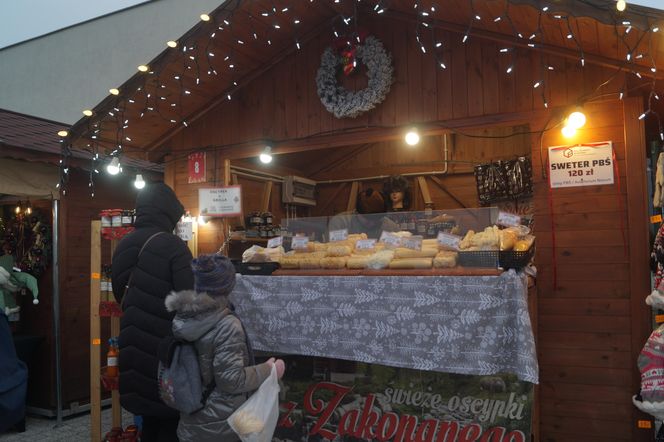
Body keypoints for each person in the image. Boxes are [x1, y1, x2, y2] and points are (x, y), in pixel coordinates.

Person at [164, 253, 285, 441]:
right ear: (228, 286)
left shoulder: (184, 315)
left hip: (193, 419)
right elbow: (231, 380)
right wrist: (269, 370)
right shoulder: (227, 325)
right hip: (220, 425)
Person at [111, 182, 194, 441]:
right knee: (170, 424)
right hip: (165, 352)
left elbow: (118, 293)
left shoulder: (123, 244)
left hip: (133, 345)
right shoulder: (174, 247)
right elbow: (188, 302)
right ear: (167, 214)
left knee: (148, 420)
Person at [328, 187, 398, 239]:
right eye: (368, 220)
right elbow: (330, 249)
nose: (372, 223)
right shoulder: (340, 223)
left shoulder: (391, 227)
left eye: (377, 219)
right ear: (357, 212)